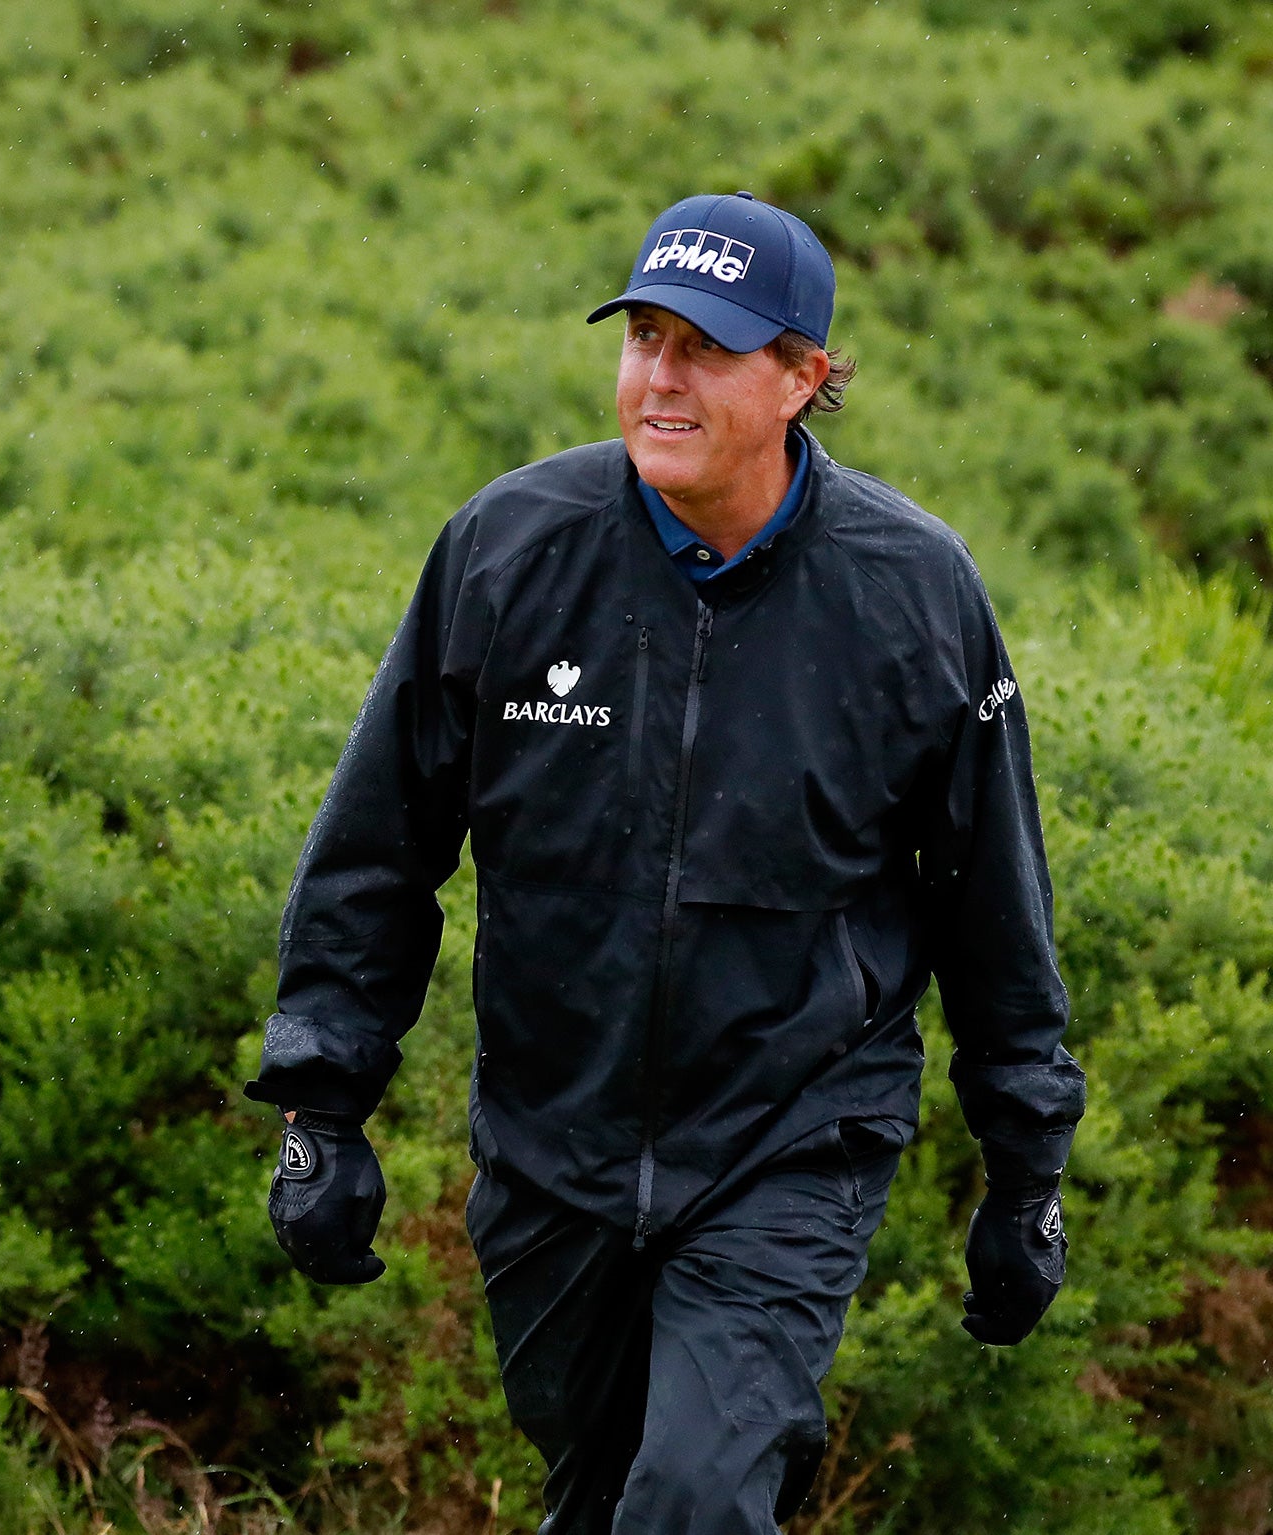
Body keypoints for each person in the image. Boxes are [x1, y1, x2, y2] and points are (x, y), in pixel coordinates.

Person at [244, 192, 1085, 1533]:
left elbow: (994, 901)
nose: (660, 377)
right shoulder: (508, 549)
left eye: (706, 346)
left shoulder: (915, 594)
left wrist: (1026, 1172)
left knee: (689, 1500)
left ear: (805, 377)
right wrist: (321, 1106)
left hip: (789, 1140)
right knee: (599, 1501)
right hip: (550, 1142)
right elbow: (381, 843)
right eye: (643, 337)